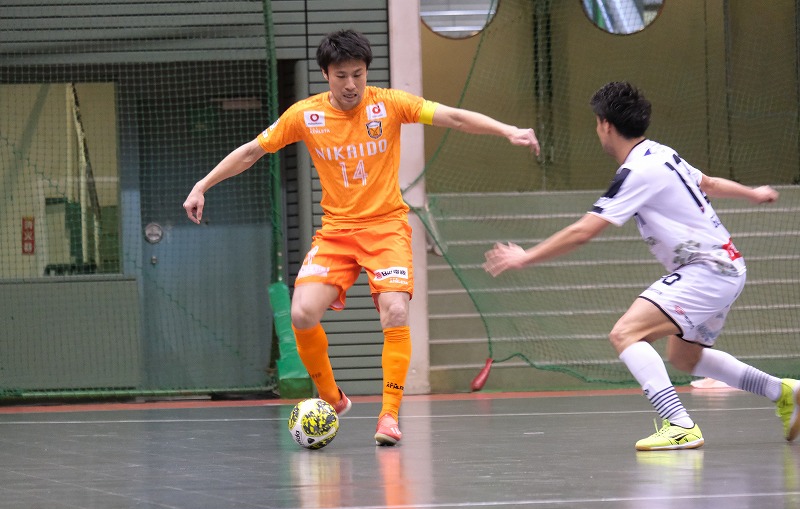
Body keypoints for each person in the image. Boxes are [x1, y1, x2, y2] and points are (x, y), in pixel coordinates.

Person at [183, 29, 540, 446]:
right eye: (341, 76)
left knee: (395, 311)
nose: (351, 85)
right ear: (325, 75)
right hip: (336, 234)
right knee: (301, 315)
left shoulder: (390, 105)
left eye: (358, 74)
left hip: (386, 227)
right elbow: (251, 151)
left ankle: (389, 416)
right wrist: (201, 186)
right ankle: (332, 398)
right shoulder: (305, 115)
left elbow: (454, 117)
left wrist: (507, 130)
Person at [483, 81, 799, 451]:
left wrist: (526, 256)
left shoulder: (636, 172)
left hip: (708, 269)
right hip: (727, 266)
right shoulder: (662, 153)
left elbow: (584, 230)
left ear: (605, 125)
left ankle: (679, 424)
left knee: (625, 333)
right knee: (685, 356)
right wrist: (752, 192)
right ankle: (785, 392)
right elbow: (708, 183)